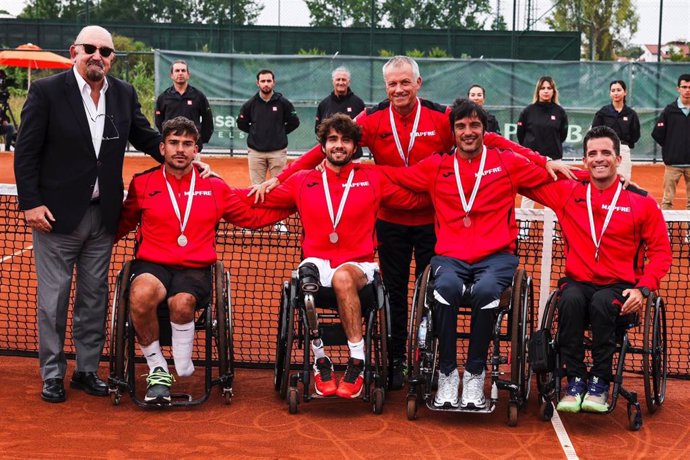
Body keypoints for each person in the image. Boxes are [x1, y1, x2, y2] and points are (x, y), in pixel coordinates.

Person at [251, 56, 573, 389]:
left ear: (418, 84)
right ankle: (397, 360)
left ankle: (426, 355)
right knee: (392, 293)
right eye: (393, 84)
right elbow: (331, 142)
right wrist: (283, 177)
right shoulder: (373, 118)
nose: (399, 89)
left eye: (405, 82)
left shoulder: (441, 115)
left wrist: (540, 159)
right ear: (385, 86)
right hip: (390, 220)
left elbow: (488, 139)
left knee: (434, 291)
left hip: (436, 222)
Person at [13, 25, 210, 404]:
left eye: (105, 51)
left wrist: (188, 159)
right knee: (53, 300)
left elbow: (146, 136)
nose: (97, 56)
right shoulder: (46, 91)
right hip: (54, 216)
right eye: (90, 48)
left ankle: (86, 369)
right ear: (75, 51)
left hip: (103, 217)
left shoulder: (122, 93)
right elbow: (26, 151)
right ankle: (52, 373)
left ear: (112, 58)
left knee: (94, 298)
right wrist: (31, 203)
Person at [379, 100, 555, 408]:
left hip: (497, 257)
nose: (468, 132)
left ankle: (475, 373)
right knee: (444, 290)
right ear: (453, 132)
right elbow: (395, 177)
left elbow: (551, 183)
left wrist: (596, 180)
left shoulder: (507, 162)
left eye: (474, 126)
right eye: (461, 126)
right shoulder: (436, 165)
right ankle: (448, 373)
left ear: (485, 131)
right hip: (450, 257)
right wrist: (350, 175)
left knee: (487, 291)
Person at [251, 113, 429, 398]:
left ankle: (357, 362)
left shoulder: (373, 177)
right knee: (306, 277)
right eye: (332, 139)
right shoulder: (302, 181)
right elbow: (255, 206)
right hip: (318, 265)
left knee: (343, 277)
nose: (339, 145)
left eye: (346, 140)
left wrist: (455, 196)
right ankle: (321, 360)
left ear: (356, 147)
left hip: (358, 267)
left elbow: (413, 199)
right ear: (322, 145)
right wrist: (205, 186)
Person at [116, 117, 288, 403]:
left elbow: (251, 217)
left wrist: (299, 204)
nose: (180, 149)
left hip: (195, 269)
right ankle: (158, 369)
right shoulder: (143, 183)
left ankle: (182, 363)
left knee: (182, 304)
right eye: (173, 143)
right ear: (162, 147)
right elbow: (122, 223)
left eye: (187, 144)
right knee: (141, 293)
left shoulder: (215, 187)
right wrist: (87, 243)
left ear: (196, 150)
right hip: (153, 265)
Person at [525, 126, 671, 413]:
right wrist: (555, 165)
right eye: (592, 154)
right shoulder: (568, 193)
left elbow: (661, 252)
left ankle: (601, 383)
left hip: (619, 286)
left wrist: (644, 288)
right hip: (579, 282)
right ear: (584, 160)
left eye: (606, 153)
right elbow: (519, 177)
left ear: (619, 159)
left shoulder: (642, 202)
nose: (599, 158)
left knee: (604, 303)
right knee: (570, 300)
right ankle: (575, 378)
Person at [237, 69, 300, 185]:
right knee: (256, 187)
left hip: (278, 153)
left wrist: (280, 132)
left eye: (268, 81)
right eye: (263, 81)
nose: (266, 84)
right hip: (256, 153)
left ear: (273, 83)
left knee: (277, 187)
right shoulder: (250, 104)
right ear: (258, 83)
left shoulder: (283, 103)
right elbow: (241, 123)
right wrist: (255, 132)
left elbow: (294, 122)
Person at [517, 75, 569, 210]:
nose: (546, 91)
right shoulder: (528, 111)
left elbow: (562, 135)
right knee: (528, 195)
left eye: (549, 88)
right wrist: (531, 152)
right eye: (543, 88)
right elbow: (520, 135)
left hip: (555, 159)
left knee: (554, 195)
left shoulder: (560, 112)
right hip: (532, 160)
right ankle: (524, 230)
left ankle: (552, 230)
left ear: (553, 91)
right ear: (538, 91)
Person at [155, 60, 214, 152]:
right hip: (171, 147)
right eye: (177, 71)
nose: (180, 73)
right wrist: (167, 138)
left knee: (194, 167)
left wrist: (200, 139)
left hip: (192, 146)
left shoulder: (198, 96)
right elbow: (159, 122)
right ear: (171, 75)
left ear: (188, 75)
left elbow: (208, 120)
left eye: (183, 71)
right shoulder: (163, 98)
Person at [651, 73, 690, 210]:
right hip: (673, 164)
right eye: (684, 87)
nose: (687, 90)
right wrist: (671, 147)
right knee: (667, 201)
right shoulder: (669, 110)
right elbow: (657, 133)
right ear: (678, 89)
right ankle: (665, 231)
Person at [591, 80, 640, 181]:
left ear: (625, 92)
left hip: (623, 149)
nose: (616, 93)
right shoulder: (603, 112)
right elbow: (594, 132)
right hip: (605, 150)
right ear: (610, 93)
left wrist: (625, 144)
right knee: (605, 180)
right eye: (613, 90)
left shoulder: (631, 114)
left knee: (624, 181)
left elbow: (635, 134)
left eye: (619, 90)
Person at [314, 66, 365, 133]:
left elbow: (363, 128)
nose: (340, 83)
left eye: (344, 80)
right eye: (338, 79)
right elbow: (318, 130)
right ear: (333, 82)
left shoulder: (358, 103)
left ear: (349, 82)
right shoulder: (323, 104)